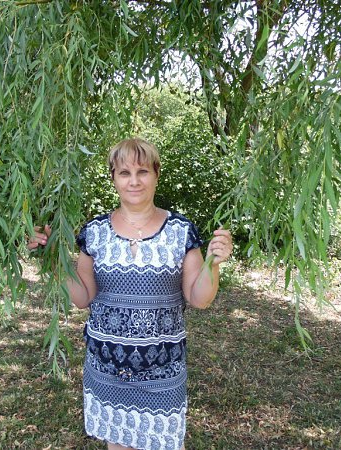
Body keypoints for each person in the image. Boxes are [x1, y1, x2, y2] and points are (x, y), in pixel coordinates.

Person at [28, 138, 233, 450]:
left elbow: (199, 298)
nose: (134, 180)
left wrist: (213, 264)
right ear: (113, 178)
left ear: (156, 175)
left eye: (142, 171)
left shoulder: (181, 231)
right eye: (124, 173)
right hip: (108, 366)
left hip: (162, 370)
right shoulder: (94, 232)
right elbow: (83, 297)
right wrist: (52, 259)